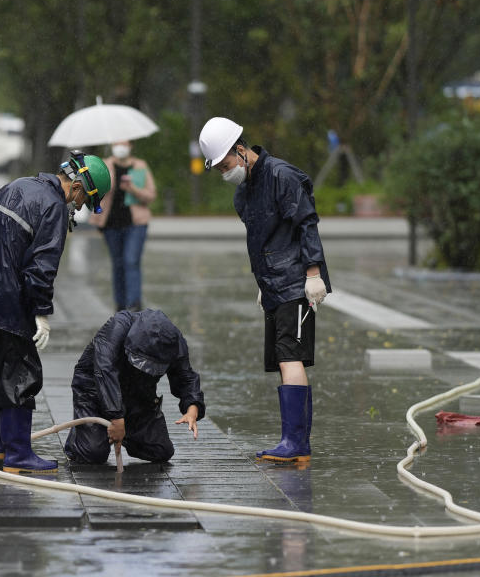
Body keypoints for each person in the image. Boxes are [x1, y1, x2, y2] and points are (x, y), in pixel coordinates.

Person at [0, 151, 111, 473]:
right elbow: (41, 268)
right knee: (20, 377)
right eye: (84, 200)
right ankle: (17, 454)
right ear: (78, 188)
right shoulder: (54, 207)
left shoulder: (19, 185)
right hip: (8, 303)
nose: (79, 207)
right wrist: (41, 312)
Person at [198, 116, 331, 464]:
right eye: (219, 169)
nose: (226, 173)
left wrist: (313, 273)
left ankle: (295, 442)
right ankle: (294, 441)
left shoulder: (282, 176)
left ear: (241, 150)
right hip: (273, 284)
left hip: (296, 282)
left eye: (227, 165)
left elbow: (306, 223)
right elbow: (261, 241)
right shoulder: (246, 192)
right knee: (284, 359)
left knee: (291, 357)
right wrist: (262, 283)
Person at [64, 309, 205, 465]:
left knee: (161, 451)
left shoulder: (174, 343)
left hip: (138, 394)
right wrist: (116, 417)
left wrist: (192, 408)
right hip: (94, 389)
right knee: (92, 453)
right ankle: (82, 438)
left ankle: (124, 433)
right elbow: (104, 370)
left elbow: (186, 376)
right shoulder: (118, 326)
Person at [89, 140, 157, 311]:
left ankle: (134, 304)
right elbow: (92, 192)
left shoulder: (140, 166)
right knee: (118, 264)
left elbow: (150, 195)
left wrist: (133, 189)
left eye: (124, 144)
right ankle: (120, 305)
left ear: (130, 146)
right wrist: (106, 184)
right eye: (117, 144)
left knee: (131, 261)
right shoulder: (103, 165)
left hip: (136, 224)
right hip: (110, 224)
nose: (120, 147)